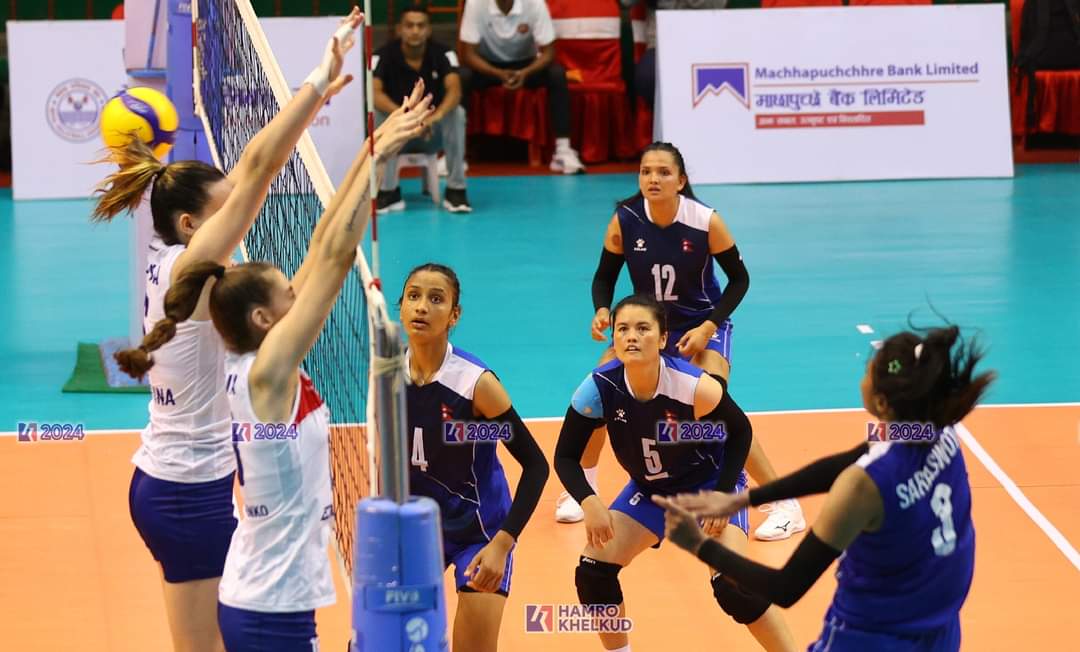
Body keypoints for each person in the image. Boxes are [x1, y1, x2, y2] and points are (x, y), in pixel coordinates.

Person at [120, 80, 432, 651]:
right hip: (267, 605)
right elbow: (333, 257)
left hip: (259, 588)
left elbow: (320, 245)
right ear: (264, 319)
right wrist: (379, 157)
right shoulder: (268, 375)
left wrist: (372, 146)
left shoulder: (256, 355)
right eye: (287, 293)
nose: (297, 292)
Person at [95, 10, 362, 651]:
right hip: (187, 494)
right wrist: (316, 82)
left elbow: (249, 171)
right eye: (224, 212)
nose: (239, 214)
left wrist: (317, 93)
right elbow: (259, 170)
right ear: (192, 225)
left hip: (170, 483)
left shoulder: (171, 262)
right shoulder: (192, 267)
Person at [655, 324, 994, 652]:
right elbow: (848, 461)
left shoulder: (865, 485)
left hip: (870, 639)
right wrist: (748, 498)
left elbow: (785, 587)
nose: (861, 379)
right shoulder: (936, 431)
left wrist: (701, 546)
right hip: (937, 627)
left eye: (867, 372)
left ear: (881, 402)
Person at [556, 142, 805, 544]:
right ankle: (582, 488)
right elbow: (604, 276)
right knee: (601, 390)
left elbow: (739, 280)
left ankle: (784, 504)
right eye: (646, 172)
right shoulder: (625, 220)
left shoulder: (705, 220)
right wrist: (602, 309)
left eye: (663, 172)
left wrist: (709, 326)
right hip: (646, 327)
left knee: (715, 405)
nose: (653, 179)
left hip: (699, 324)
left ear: (681, 180)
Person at [554, 294, 796, 652]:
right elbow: (565, 456)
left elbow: (740, 431)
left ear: (663, 338)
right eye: (623, 329)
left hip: (708, 484)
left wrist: (723, 494)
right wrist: (588, 500)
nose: (631, 336)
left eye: (643, 328)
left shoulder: (692, 385)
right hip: (652, 492)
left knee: (733, 586)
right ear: (614, 339)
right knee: (594, 571)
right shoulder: (598, 387)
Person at [401, 262, 550, 651]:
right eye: (414, 296)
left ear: (454, 315)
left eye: (436, 299)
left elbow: (535, 465)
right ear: (400, 307)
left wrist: (503, 543)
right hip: (419, 529)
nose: (422, 306)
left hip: (479, 533)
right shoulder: (386, 375)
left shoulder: (475, 384)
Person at [457, 0, 585, 174]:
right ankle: (455, 154)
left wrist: (524, 73)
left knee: (557, 74)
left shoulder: (535, 3)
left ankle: (563, 151)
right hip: (488, 66)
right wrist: (498, 73)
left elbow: (549, 52)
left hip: (526, 66)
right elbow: (469, 55)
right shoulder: (475, 4)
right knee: (461, 76)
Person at [373, 2, 471, 213]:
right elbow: (375, 93)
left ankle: (456, 190)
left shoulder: (444, 54)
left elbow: (455, 91)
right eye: (409, 25)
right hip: (398, 134)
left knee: (457, 113)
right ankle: (388, 192)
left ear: (428, 30)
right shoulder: (383, 55)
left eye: (421, 25)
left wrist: (432, 119)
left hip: (431, 133)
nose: (415, 31)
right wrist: (408, 119)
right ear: (399, 29)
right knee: (379, 113)